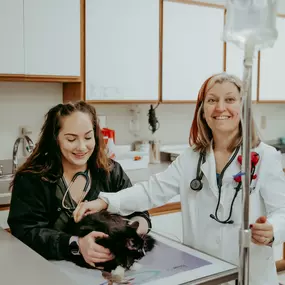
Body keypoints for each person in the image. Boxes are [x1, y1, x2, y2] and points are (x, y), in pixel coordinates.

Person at [73, 73, 285, 285]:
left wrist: (272, 229)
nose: (220, 108)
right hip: (208, 273)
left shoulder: (265, 157)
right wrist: (106, 201)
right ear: (202, 110)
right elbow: (151, 191)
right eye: (212, 100)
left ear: (243, 106)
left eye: (230, 99)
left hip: (251, 275)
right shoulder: (191, 158)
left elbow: (282, 211)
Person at [8, 101, 151, 268]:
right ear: (56, 138)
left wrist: (132, 232)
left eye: (88, 137)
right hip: (48, 270)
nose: (82, 147)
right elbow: (25, 231)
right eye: (71, 139)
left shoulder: (110, 171)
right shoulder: (32, 179)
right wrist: (75, 244)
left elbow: (140, 210)